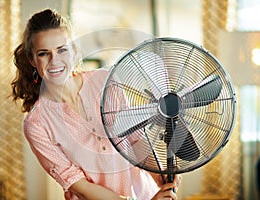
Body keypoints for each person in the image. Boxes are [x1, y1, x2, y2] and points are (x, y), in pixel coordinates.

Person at [11, 8, 181, 200]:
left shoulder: (104, 81)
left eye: (62, 49)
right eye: (44, 53)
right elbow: (79, 185)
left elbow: (135, 140)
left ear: (74, 51)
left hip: (144, 194)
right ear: (32, 59)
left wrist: (160, 177)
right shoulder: (36, 123)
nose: (54, 61)